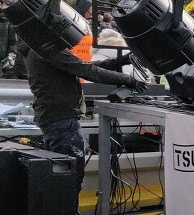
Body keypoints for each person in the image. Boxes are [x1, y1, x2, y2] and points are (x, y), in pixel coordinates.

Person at [22, 34, 144, 194]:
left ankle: (64, 213)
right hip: (61, 119)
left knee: (64, 175)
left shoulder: (36, 46)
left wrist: (119, 61)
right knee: (70, 177)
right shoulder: (46, 48)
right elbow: (86, 70)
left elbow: (81, 66)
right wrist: (128, 79)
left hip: (54, 117)